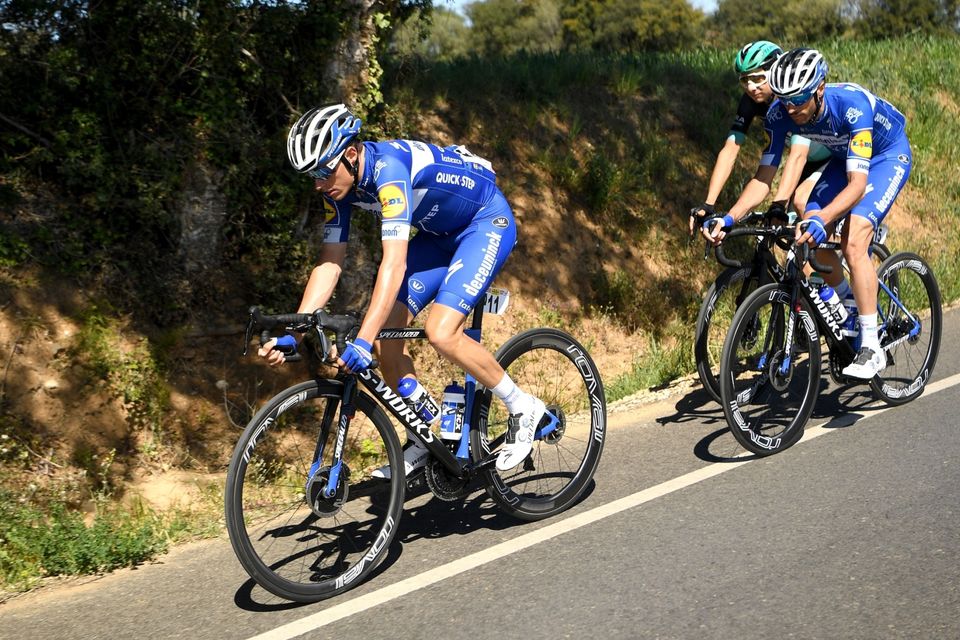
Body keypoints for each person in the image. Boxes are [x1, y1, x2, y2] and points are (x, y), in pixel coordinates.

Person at [258, 103, 546, 476]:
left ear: (349, 154)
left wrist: (360, 339)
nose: (317, 182)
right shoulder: (337, 189)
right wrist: (294, 334)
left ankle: (524, 407)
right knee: (385, 342)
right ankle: (426, 436)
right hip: (437, 236)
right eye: (311, 174)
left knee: (440, 331)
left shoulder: (388, 172)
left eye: (322, 170)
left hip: (484, 222)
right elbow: (330, 262)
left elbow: (393, 265)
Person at [703, 48, 911, 379]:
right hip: (845, 157)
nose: (792, 108)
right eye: (785, 100)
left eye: (799, 98)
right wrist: (729, 218)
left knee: (854, 241)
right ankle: (848, 305)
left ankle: (872, 347)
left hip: (886, 156)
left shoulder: (851, 105)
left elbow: (857, 186)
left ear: (819, 88)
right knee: (806, 235)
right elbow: (763, 179)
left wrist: (823, 217)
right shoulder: (780, 114)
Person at [689, 40, 831, 235]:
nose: (751, 87)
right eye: (744, 80)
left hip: (829, 156)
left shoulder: (793, 97)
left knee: (801, 201)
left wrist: (778, 204)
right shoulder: (750, 101)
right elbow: (730, 149)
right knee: (796, 249)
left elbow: (798, 155)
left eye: (757, 78)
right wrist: (709, 203)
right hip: (808, 162)